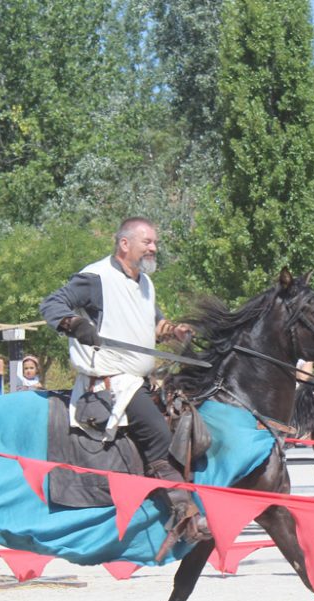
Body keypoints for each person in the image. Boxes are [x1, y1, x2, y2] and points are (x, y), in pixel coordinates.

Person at [40, 216, 208, 542]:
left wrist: (173, 331)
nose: (154, 248)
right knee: (161, 435)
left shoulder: (145, 282)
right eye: (148, 242)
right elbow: (52, 304)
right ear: (124, 244)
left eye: (155, 242)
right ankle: (182, 514)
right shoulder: (96, 278)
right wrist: (74, 323)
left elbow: (153, 324)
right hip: (110, 383)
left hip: (139, 381)